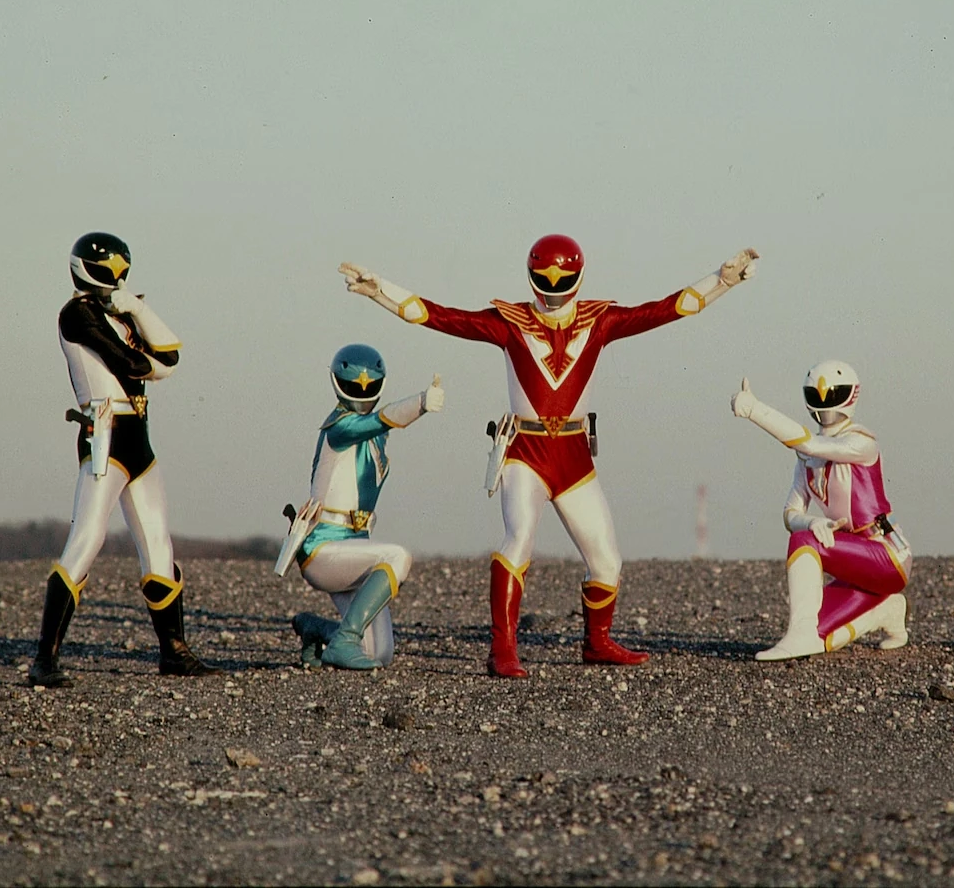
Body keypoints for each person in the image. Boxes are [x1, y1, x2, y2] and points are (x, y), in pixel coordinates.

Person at [339, 236, 759, 677]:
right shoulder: (511, 322)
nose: (553, 290)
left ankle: (597, 642)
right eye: (545, 280)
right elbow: (439, 316)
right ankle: (503, 648)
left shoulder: (599, 320)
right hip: (526, 451)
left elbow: (668, 309)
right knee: (518, 540)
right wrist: (379, 291)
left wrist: (723, 280)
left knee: (606, 560)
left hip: (573, 456)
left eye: (560, 280)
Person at [28, 232, 217, 688]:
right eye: (110, 269)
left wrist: (137, 310)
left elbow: (170, 352)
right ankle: (44, 658)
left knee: (158, 546)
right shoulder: (77, 313)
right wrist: (155, 360)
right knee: (86, 540)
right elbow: (130, 363)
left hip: (137, 439)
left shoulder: (117, 312)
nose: (116, 277)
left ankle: (174, 650)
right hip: (106, 436)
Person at [730, 362, 911, 660]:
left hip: (887, 555)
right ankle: (886, 610)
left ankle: (799, 634)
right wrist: (812, 521)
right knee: (821, 634)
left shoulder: (861, 443)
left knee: (803, 543)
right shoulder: (807, 459)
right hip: (855, 564)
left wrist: (756, 411)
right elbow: (790, 513)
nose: (826, 405)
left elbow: (812, 444)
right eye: (818, 396)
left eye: (833, 395)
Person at [283, 344, 444, 670]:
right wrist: (420, 403)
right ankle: (345, 639)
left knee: (379, 654)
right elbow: (379, 420)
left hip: (354, 549)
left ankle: (318, 629)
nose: (362, 389)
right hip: (323, 548)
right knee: (398, 556)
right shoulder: (339, 426)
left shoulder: (375, 435)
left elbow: (377, 423)